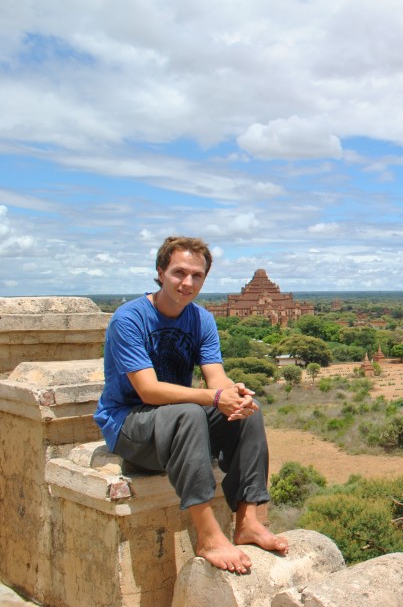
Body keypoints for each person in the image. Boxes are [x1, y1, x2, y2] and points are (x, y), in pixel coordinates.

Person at [94, 236, 288, 574]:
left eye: (196, 276)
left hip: (176, 426)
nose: (187, 283)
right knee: (189, 413)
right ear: (160, 272)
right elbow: (148, 391)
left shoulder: (201, 320)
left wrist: (234, 394)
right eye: (179, 273)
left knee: (249, 415)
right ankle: (209, 534)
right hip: (130, 425)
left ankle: (247, 521)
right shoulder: (129, 319)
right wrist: (214, 398)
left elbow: (216, 379)